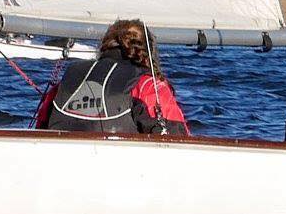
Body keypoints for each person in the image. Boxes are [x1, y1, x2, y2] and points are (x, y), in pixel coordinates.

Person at [35, 18, 190, 135]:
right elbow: (178, 139)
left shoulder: (69, 80)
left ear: (104, 45)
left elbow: (40, 129)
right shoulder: (148, 87)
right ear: (148, 50)